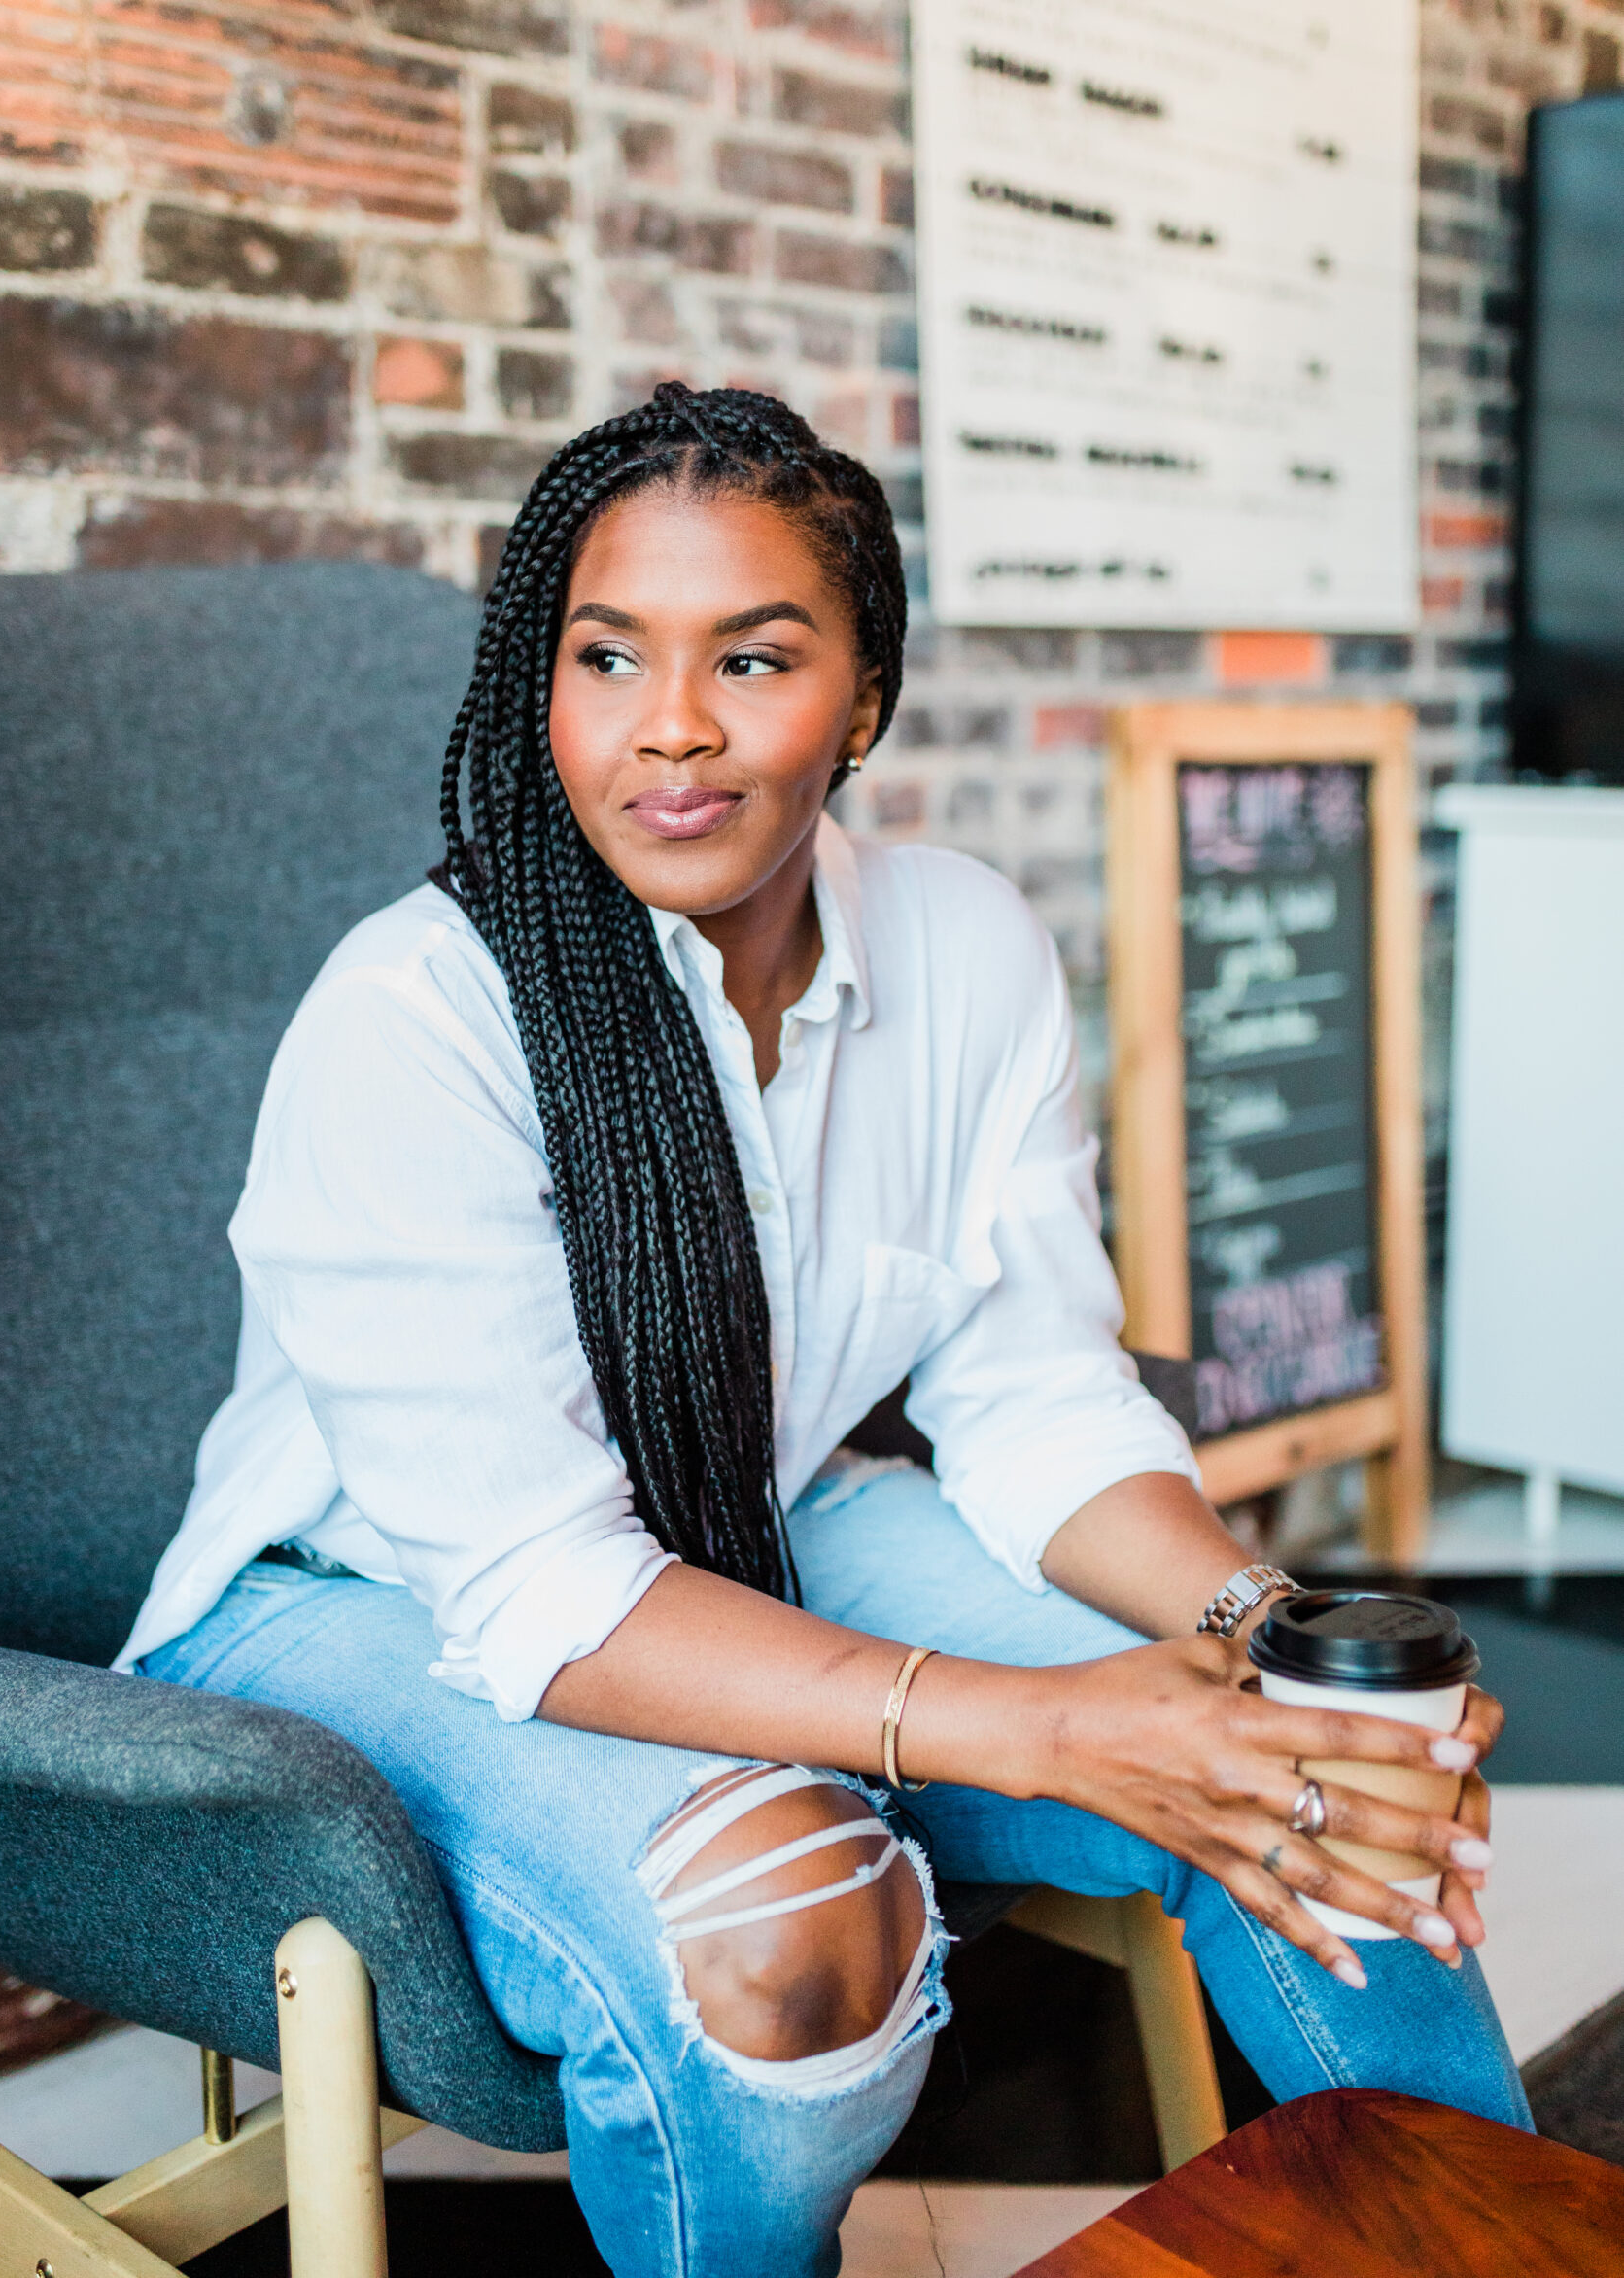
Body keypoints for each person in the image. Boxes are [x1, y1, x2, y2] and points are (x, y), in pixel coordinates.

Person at [121, 384, 1528, 2276]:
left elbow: (1028, 1392)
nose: (670, 725)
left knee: (1299, 1755)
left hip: (750, 1506)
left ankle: (1499, 2246)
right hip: (353, 1596)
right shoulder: (415, 1017)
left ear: (859, 699)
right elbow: (539, 1583)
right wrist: (1042, 1728)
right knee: (797, 1909)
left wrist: (1258, 1635)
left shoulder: (959, 945)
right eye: (604, 654)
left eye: (752, 657)